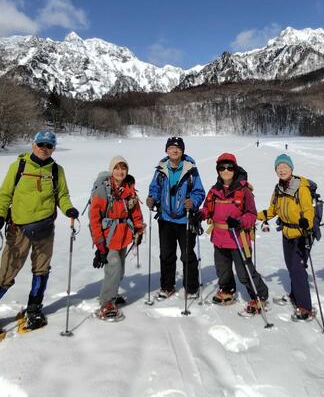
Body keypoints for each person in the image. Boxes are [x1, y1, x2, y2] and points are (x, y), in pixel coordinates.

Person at [0, 130, 78, 342]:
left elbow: (62, 195)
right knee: (7, 272)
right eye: (41, 144)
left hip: (45, 229)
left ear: (54, 149)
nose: (44, 148)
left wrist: (68, 209)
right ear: (33, 145)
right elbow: (4, 195)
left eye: (49, 146)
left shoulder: (57, 170)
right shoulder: (19, 166)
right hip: (18, 229)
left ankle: (34, 308)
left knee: (41, 270)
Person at [199, 153, 268, 315]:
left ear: (235, 169)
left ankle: (260, 295)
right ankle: (227, 290)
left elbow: (252, 214)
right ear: (218, 170)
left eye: (229, 167)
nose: (226, 170)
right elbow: (207, 208)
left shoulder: (244, 191)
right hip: (219, 237)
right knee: (222, 269)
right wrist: (200, 215)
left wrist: (240, 222)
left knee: (244, 271)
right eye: (222, 167)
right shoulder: (214, 190)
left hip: (238, 238)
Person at [257, 154, 316, 321]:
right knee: (291, 267)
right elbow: (273, 210)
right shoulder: (278, 189)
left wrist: (307, 222)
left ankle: (305, 307)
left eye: (285, 167)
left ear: (291, 169)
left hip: (302, 233)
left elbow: (308, 209)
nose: (282, 170)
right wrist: (257, 215)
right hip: (286, 233)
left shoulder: (301, 187)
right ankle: (295, 296)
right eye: (279, 168)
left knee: (297, 269)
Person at [146, 137, 205, 299]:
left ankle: (191, 288)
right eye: (171, 148)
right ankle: (167, 286)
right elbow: (155, 188)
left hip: (185, 220)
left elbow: (199, 192)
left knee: (187, 255)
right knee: (166, 255)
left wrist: (193, 202)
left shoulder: (191, 169)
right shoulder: (160, 169)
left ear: (182, 151)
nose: (174, 150)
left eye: (178, 148)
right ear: (166, 150)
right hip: (165, 220)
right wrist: (152, 198)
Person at [89, 156, 144, 321]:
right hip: (108, 236)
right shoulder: (102, 190)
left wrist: (139, 230)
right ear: (111, 170)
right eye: (117, 168)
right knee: (114, 267)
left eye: (123, 168)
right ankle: (106, 302)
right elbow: (94, 218)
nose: (120, 172)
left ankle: (112, 293)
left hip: (124, 234)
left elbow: (135, 212)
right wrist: (99, 242)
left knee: (120, 269)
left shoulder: (128, 189)